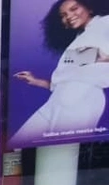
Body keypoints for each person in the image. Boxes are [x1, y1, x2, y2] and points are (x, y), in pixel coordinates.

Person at [12, 0, 109, 143]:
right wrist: (36, 81)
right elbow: (66, 80)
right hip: (57, 100)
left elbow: (99, 60)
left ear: (90, 8)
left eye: (74, 9)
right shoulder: (79, 39)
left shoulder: (104, 23)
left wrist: (104, 57)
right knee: (19, 141)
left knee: (61, 149)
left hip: (83, 99)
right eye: (63, 15)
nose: (68, 16)